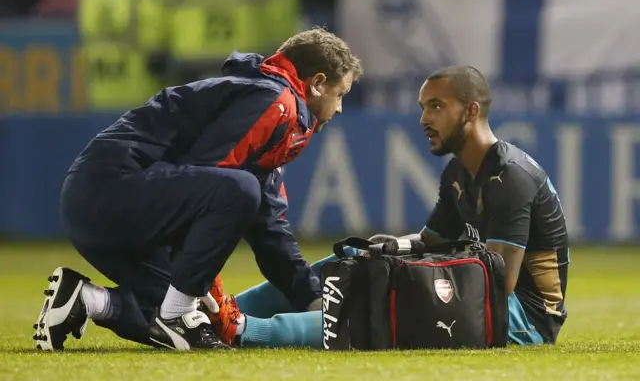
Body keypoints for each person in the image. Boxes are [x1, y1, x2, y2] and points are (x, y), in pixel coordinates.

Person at [32, 27, 363, 351]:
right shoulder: (276, 101)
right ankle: (175, 315)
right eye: (341, 94)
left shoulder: (269, 101)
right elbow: (212, 176)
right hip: (109, 191)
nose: (339, 108)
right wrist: (202, 283)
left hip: (107, 200)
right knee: (239, 194)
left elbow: (268, 229)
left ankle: (85, 300)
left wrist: (312, 298)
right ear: (318, 83)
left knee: (201, 315)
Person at [208, 65, 569, 348]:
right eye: (423, 107)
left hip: (522, 317)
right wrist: (389, 248)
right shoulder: (459, 172)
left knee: (388, 300)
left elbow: (498, 283)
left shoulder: (510, 177)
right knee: (352, 260)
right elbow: (431, 241)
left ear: (470, 111)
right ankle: (218, 309)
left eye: (437, 106)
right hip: (484, 291)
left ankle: (241, 330)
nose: (425, 119)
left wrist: (406, 269)